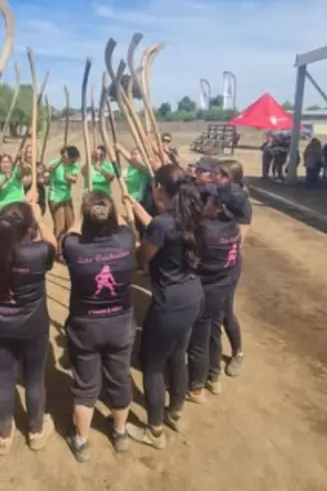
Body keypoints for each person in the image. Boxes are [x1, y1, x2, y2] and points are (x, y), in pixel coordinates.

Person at [126, 165, 205, 448]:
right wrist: (139, 212)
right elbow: (164, 229)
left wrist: (136, 243)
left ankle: (155, 430)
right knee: (177, 355)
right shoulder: (190, 213)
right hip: (192, 296)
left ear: (159, 188)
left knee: (153, 365)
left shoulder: (162, 225)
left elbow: (142, 258)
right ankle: (175, 412)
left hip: (168, 304)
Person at [60, 191, 136, 461]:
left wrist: (85, 212)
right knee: (119, 379)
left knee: (86, 385)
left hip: (86, 327)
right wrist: (111, 209)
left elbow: (72, 231)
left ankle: (81, 441)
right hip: (120, 324)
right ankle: (120, 432)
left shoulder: (73, 246)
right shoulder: (127, 240)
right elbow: (125, 223)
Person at [0, 196, 57, 454]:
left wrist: (18, 216)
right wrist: (37, 215)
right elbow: (53, 245)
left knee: (4, 376)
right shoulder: (39, 252)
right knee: (34, 378)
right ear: (29, 228)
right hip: (34, 326)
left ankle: (4, 435)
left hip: (1, 323)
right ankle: (36, 431)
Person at [184, 183, 240, 401]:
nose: (202, 202)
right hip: (222, 287)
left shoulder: (204, 230)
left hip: (205, 289)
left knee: (199, 337)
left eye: (207, 200)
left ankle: (196, 387)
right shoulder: (232, 227)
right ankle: (213, 377)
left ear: (217, 207)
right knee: (214, 331)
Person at [216, 159, 249, 377]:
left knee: (225, 311)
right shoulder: (219, 194)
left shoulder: (238, 200)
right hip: (212, 260)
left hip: (227, 263)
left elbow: (239, 239)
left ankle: (238, 352)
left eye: (221, 174)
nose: (215, 176)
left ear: (231, 178)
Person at [48, 146, 81, 240]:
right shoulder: (56, 163)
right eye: (72, 160)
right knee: (60, 227)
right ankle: (59, 252)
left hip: (67, 198)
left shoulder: (74, 166)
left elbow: (74, 179)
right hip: (55, 198)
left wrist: (68, 176)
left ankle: (69, 246)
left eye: (75, 161)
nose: (73, 162)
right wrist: (61, 161)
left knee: (70, 225)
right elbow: (49, 170)